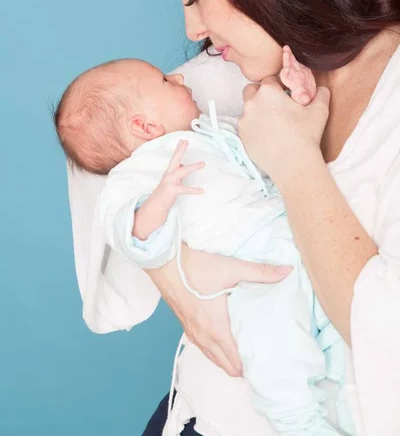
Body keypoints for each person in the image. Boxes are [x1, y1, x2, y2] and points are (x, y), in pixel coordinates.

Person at [67, 0, 400, 434]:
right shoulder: (232, 71)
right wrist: (175, 268)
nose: (190, 26)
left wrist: (295, 163)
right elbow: (102, 164)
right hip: (195, 414)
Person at [56, 53, 345, 435]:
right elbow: (124, 229)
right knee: (274, 344)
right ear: (144, 125)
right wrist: (158, 200)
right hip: (247, 271)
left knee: (341, 338)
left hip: (292, 243)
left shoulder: (212, 130)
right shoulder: (135, 175)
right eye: (164, 81)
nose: (177, 77)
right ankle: (301, 423)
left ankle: (353, 415)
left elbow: (278, 147)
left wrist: (300, 96)